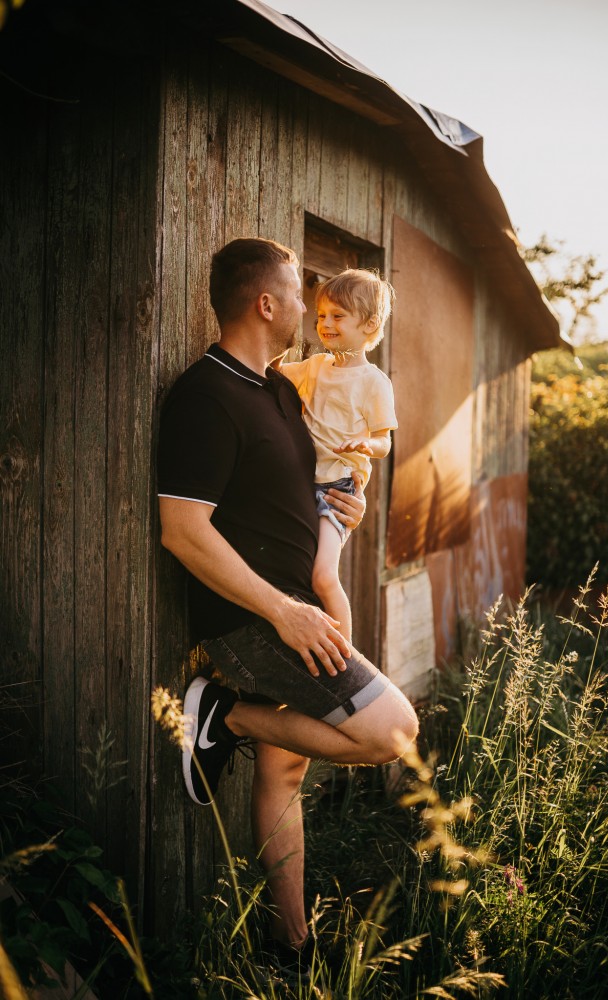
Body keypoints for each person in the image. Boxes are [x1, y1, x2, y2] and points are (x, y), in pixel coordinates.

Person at [156, 237, 418, 965]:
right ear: (266, 304)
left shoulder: (276, 388)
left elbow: (317, 471)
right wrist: (282, 609)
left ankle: (289, 942)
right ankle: (221, 709)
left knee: (285, 770)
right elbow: (183, 532)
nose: (309, 306)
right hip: (255, 623)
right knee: (393, 731)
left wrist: (341, 503)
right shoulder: (203, 397)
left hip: (295, 600)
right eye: (299, 295)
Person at [281, 269, 397, 641]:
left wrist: (366, 446)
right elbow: (269, 370)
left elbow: (384, 442)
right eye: (320, 315)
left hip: (338, 489)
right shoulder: (315, 367)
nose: (325, 323)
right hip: (302, 484)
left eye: (337, 316)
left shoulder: (374, 382)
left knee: (324, 576)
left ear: (369, 324)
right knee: (298, 573)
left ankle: (347, 659)